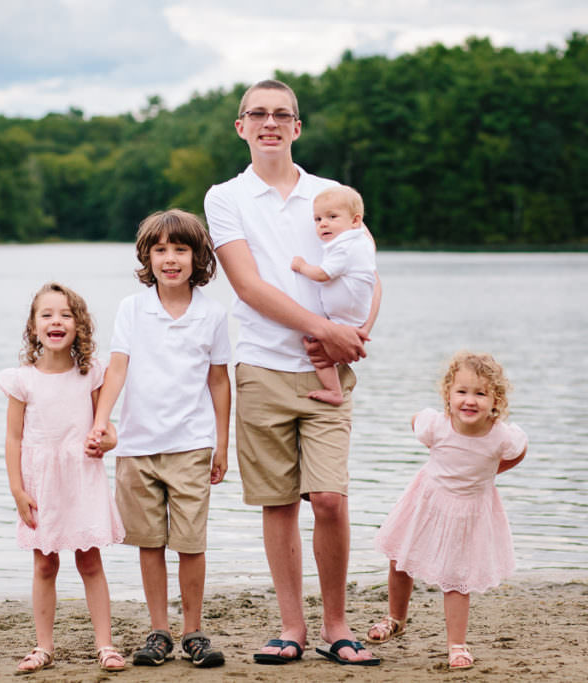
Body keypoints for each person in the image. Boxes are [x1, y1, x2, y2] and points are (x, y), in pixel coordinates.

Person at [204, 78, 381, 666]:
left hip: (326, 371)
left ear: (297, 127)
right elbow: (249, 287)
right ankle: (292, 629)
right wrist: (324, 327)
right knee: (278, 503)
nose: (270, 123)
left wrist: (354, 333)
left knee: (328, 498)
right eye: (258, 114)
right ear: (242, 127)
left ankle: (337, 627)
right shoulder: (225, 198)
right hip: (260, 366)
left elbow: (369, 271)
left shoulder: (332, 193)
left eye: (282, 114)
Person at [86, 209, 231, 669]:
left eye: (180, 249)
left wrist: (223, 445)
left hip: (192, 443)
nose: (170, 259)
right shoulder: (133, 308)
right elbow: (118, 369)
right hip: (136, 446)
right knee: (149, 541)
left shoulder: (213, 313)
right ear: (147, 257)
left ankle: (193, 631)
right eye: (161, 250)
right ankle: (159, 631)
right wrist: (101, 421)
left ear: (197, 256)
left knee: (190, 542)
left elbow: (220, 382)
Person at [0, 282, 127, 675]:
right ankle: (43, 647)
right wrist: (17, 490)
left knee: (90, 561)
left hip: (81, 478)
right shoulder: (22, 380)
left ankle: (104, 644)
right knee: (44, 564)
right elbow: (13, 438)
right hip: (41, 483)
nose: (56, 321)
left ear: (79, 326)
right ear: (34, 327)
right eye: (47, 314)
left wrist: (106, 441)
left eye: (66, 314)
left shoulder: (90, 375)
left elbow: (109, 430)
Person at [367, 350, 527, 670]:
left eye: (480, 394)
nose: (470, 400)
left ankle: (456, 644)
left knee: (457, 578)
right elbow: (416, 422)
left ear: (495, 400)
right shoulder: (437, 425)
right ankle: (396, 618)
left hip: (469, 510)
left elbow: (519, 451)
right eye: (462, 392)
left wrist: (490, 472)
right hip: (426, 501)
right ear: (448, 394)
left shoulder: (501, 436)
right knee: (400, 559)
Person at [290, 184, 377, 405]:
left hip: (343, 319)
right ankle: (335, 389)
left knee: (319, 356)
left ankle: (334, 391)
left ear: (355, 221)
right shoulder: (362, 243)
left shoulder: (344, 247)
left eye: (332, 217)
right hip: (354, 315)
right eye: (317, 219)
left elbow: (322, 274)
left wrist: (301, 266)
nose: (323, 224)